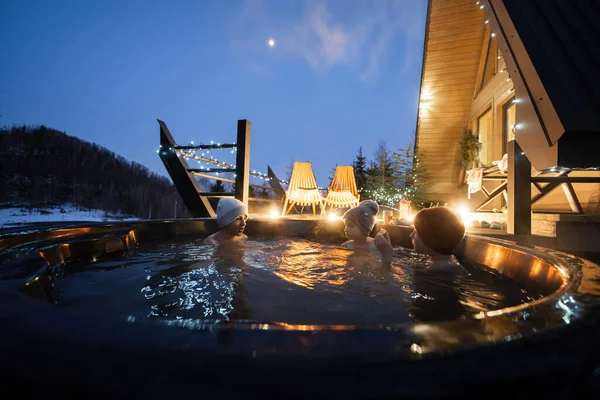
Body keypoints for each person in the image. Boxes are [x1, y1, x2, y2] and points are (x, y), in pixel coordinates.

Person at [410, 206, 467, 274]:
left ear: (429, 238)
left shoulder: (436, 270)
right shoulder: (449, 260)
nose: (411, 235)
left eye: (416, 231)